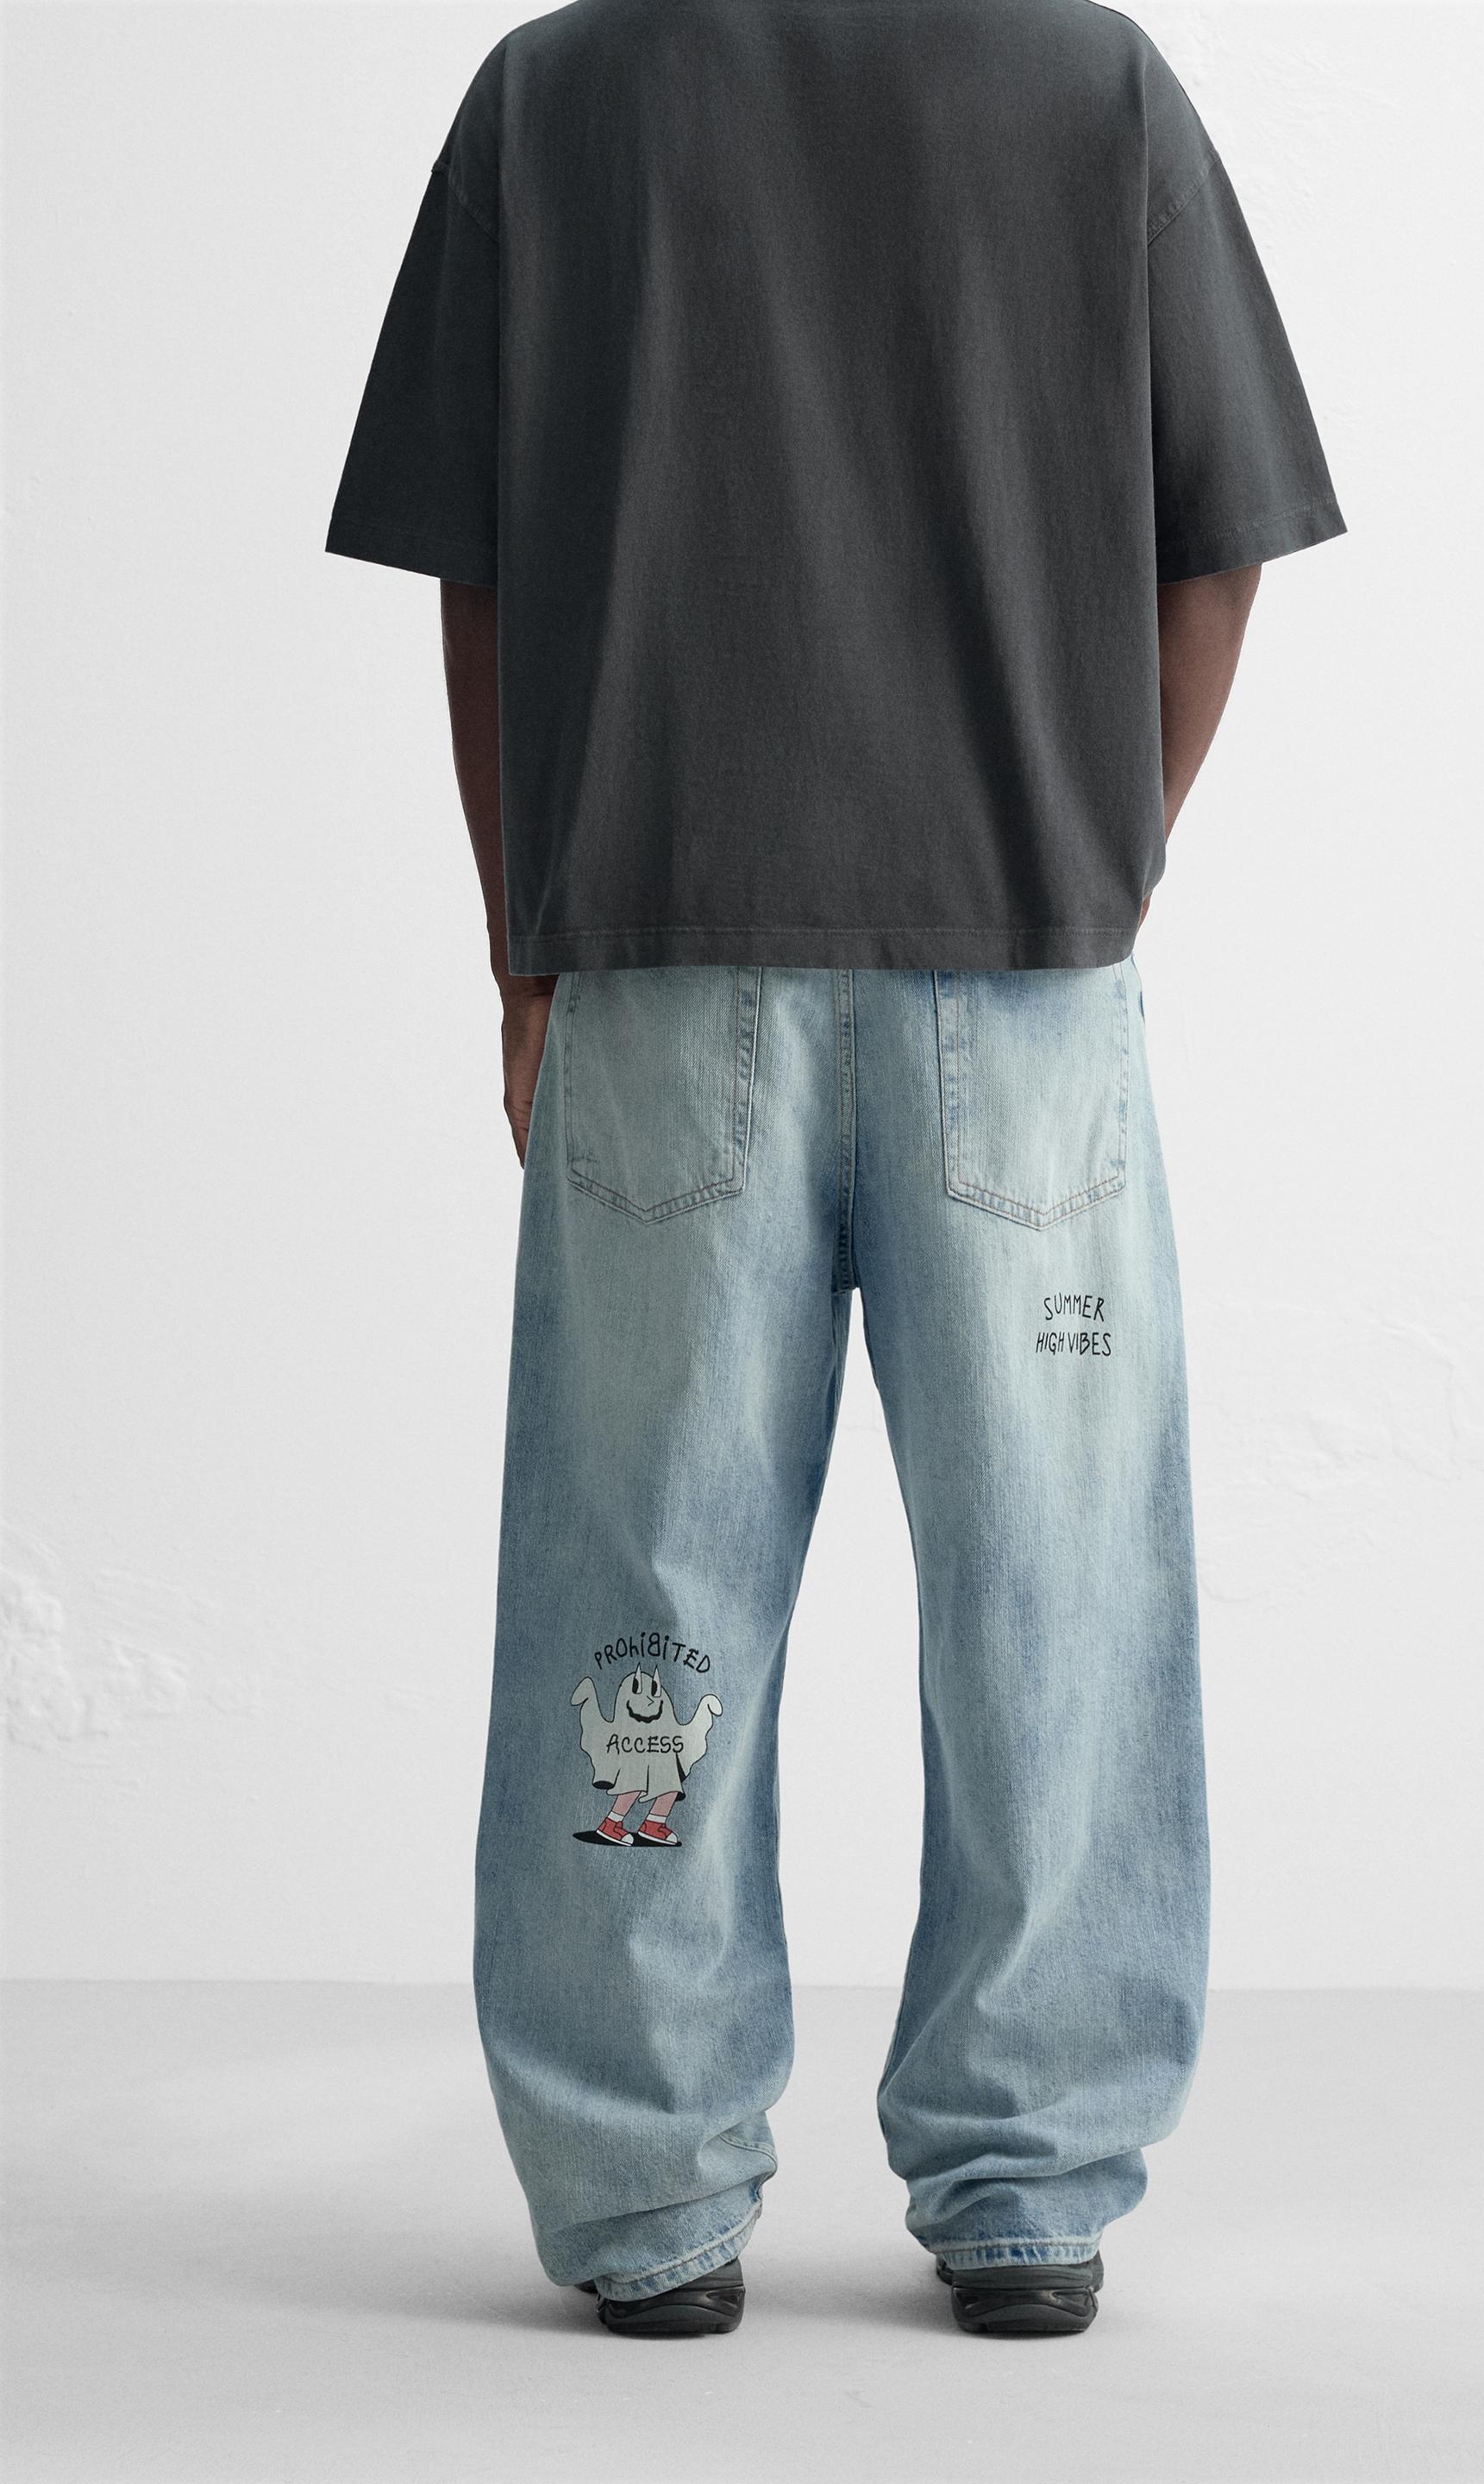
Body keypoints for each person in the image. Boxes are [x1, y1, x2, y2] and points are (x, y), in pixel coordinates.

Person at [325, 0, 1345, 2342]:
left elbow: (479, 583)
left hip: (660, 959)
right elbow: (1222, 552)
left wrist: (522, 944)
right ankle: (1032, 2183)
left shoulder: (555, 96)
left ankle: (644, 2189)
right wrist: (1106, 850)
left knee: (643, 1587)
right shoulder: (1092, 85)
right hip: (1025, 979)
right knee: (1054, 1594)